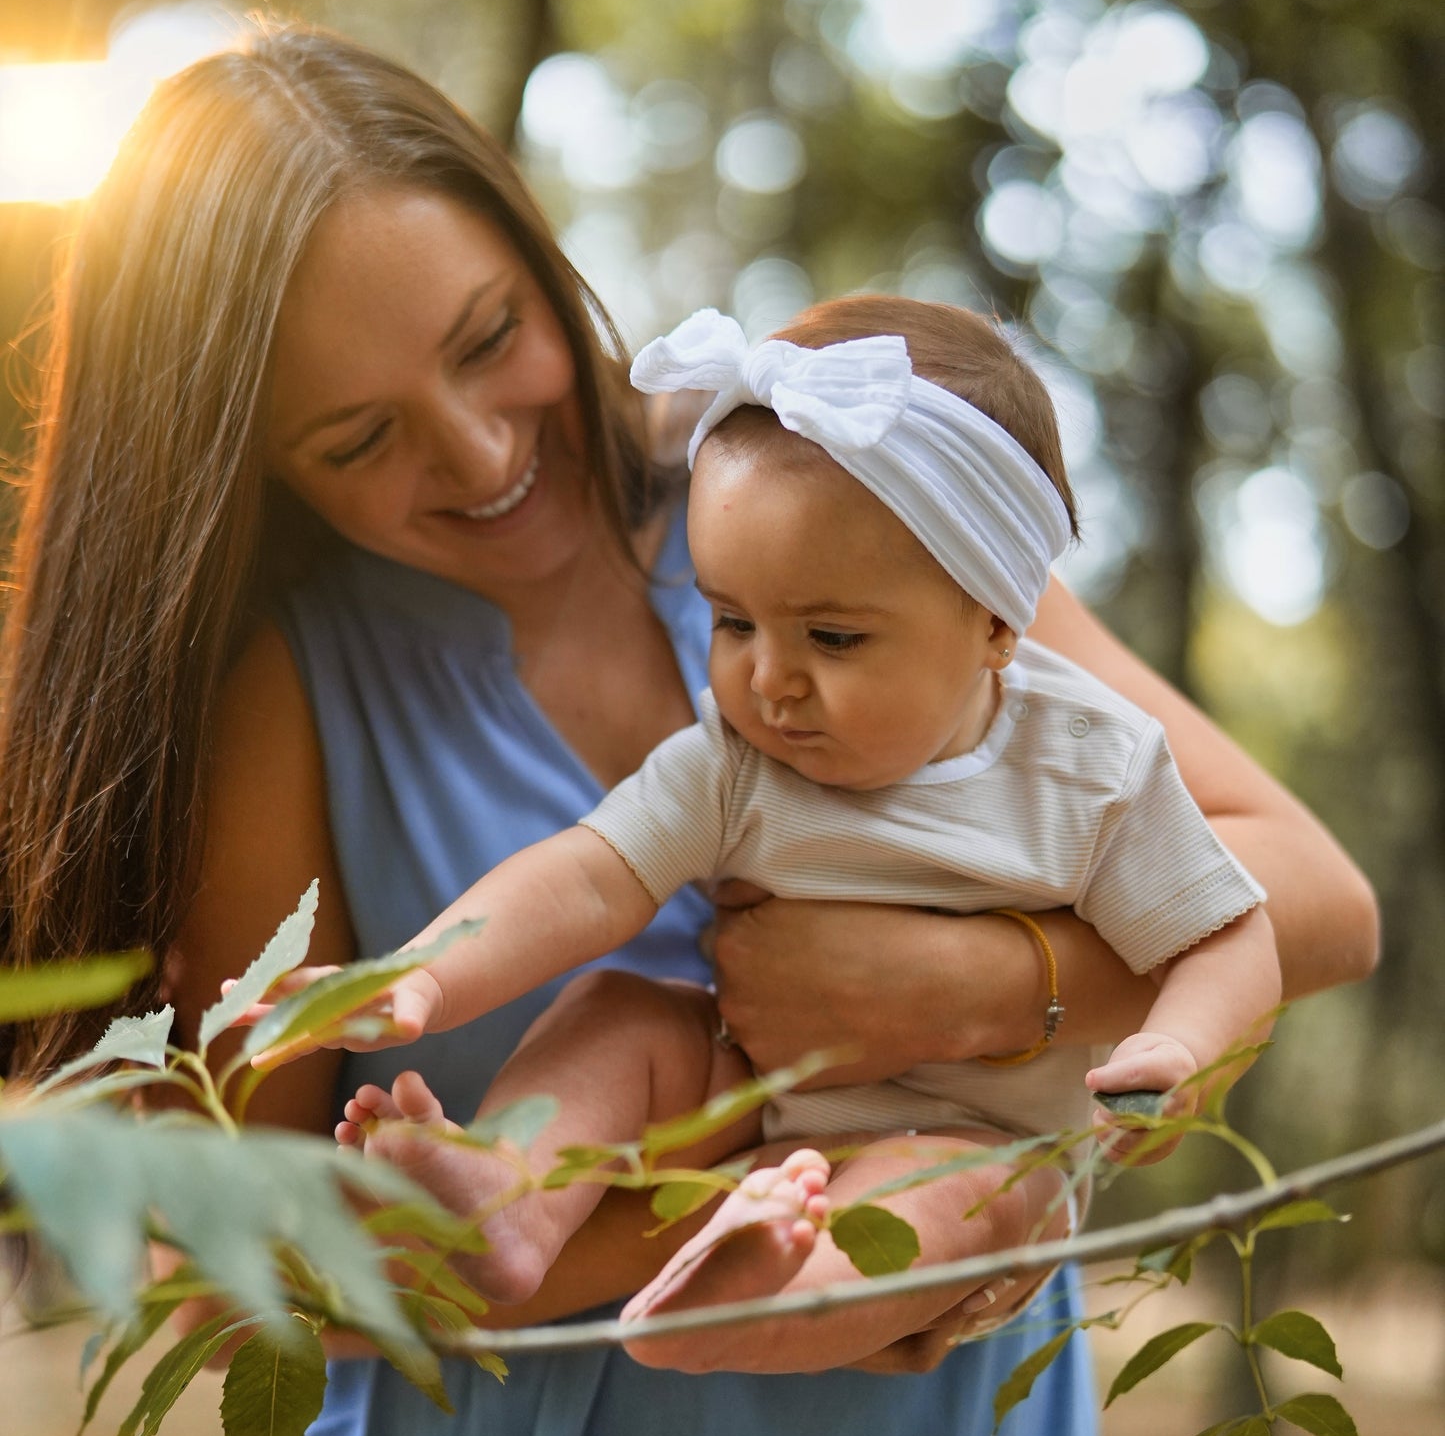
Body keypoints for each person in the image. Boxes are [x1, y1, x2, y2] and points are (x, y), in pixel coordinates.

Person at [0, 25, 1379, 1436]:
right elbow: (245, 1248)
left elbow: (1309, 895)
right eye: (359, 437)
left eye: (489, 341)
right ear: (250, 454)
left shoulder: (859, 498)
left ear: (535, 249)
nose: (481, 451)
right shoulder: (291, 690)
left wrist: (989, 995)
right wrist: (790, 1230)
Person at [281, 299, 1278, 1369]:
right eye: (730, 620)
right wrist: (424, 975)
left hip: (968, 1134)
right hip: (747, 1093)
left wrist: (1176, 1048)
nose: (766, 677)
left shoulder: (1089, 766)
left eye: (832, 636)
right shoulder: (739, 758)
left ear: (995, 621)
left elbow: (1226, 936)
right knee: (620, 1012)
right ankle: (512, 1196)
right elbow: (584, 878)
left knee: (988, 1193)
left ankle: (772, 1295)